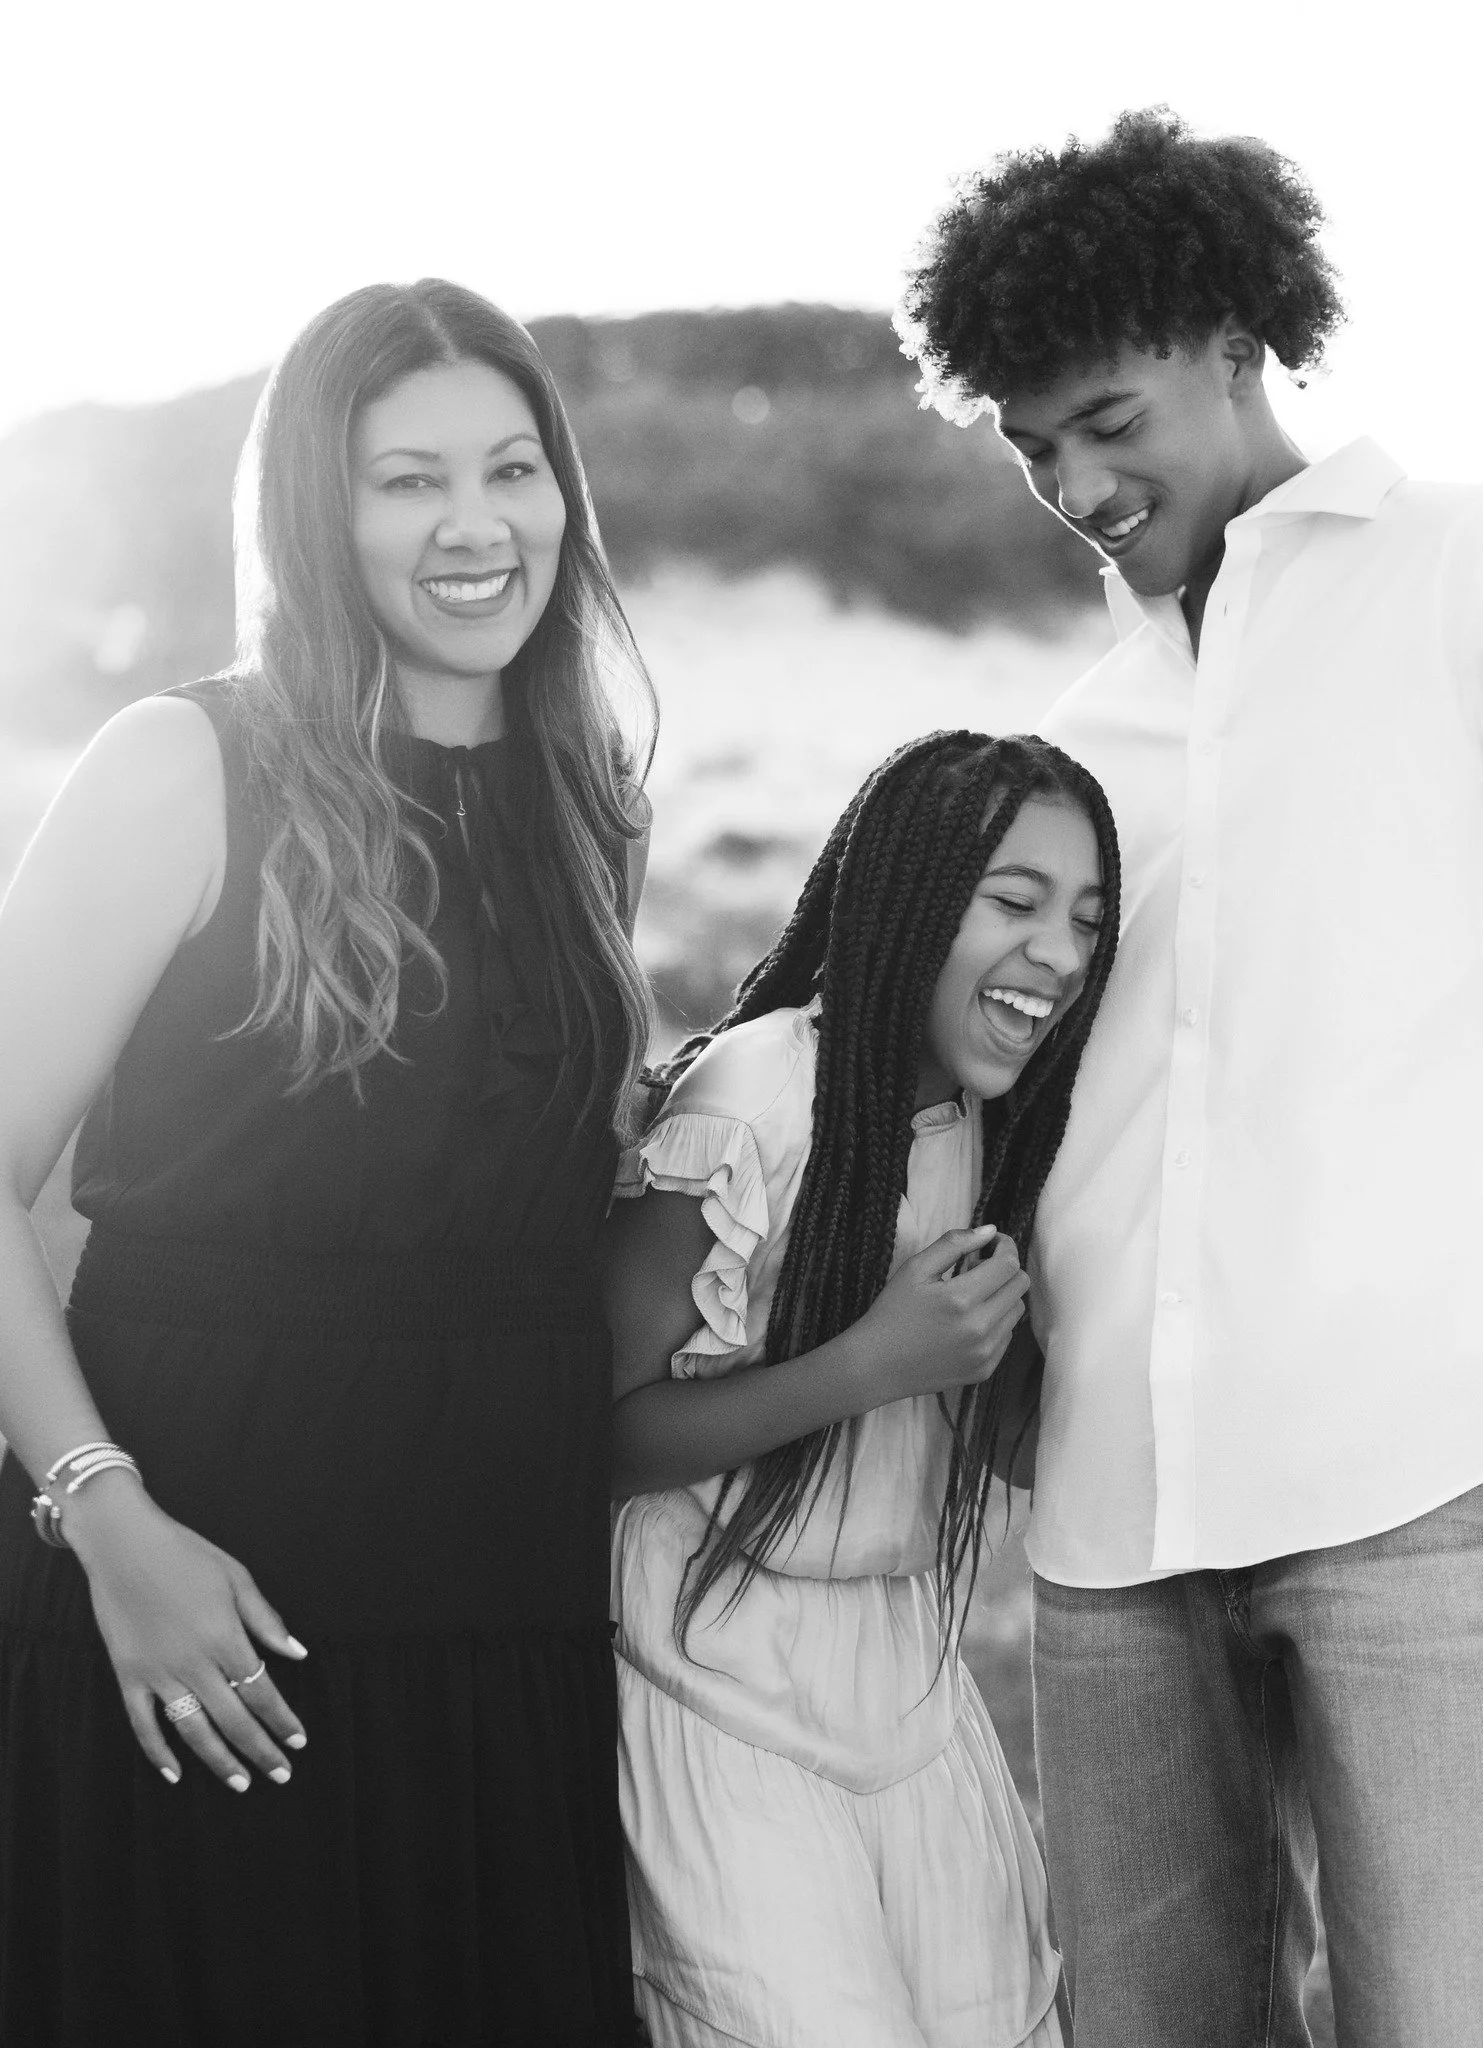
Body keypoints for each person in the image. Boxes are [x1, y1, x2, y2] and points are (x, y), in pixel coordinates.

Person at [895, 108, 1483, 2047]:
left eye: (1108, 418)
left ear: (1239, 338)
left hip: (1434, 1492)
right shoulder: (1075, 734)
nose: (1073, 481)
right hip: (1113, 1542)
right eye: (1030, 443)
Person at [0, 279, 655, 2045]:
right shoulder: (179, 767)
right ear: (311, 506)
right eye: (406, 480)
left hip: (505, 1611)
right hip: (203, 1605)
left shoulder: (584, 790)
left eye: (514, 470)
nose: (475, 526)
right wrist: (103, 1521)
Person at [603, 730, 1120, 2048]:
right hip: (711, 1666)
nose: (1056, 954)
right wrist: (867, 1365)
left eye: (1084, 921)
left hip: (905, 1679)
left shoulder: (1015, 1132)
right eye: (1012, 903)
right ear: (903, 893)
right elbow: (594, 1432)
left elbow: (1000, 1439)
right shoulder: (760, 1093)